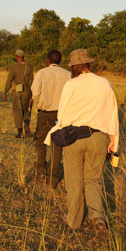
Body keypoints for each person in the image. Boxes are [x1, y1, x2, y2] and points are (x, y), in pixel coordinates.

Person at [46, 49, 119, 234]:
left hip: (74, 137)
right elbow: (113, 114)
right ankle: (98, 218)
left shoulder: (71, 85)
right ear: (89, 64)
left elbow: (62, 116)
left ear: (74, 66)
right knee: (94, 180)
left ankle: (74, 220)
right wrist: (113, 141)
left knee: (74, 181)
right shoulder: (104, 83)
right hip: (98, 137)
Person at [30, 49, 71, 187]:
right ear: (59, 61)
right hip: (61, 115)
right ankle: (53, 177)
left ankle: (41, 171)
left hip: (45, 113)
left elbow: (35, 93)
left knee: (41, 141)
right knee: (57, 144)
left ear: (48, 61)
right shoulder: (68, 74)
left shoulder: (42, 73)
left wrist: (38, 104)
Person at [3, 49, 34, 139]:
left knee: (17, 111)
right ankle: (27, 125)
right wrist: (32, 94)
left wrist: (5, 92)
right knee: (26, 109)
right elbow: (31, 81)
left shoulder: (13, 67)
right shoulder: (29, 67)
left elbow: (9, 80)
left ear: (17, 57)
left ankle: (20, 132)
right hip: (27, 91)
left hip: (16, 92)